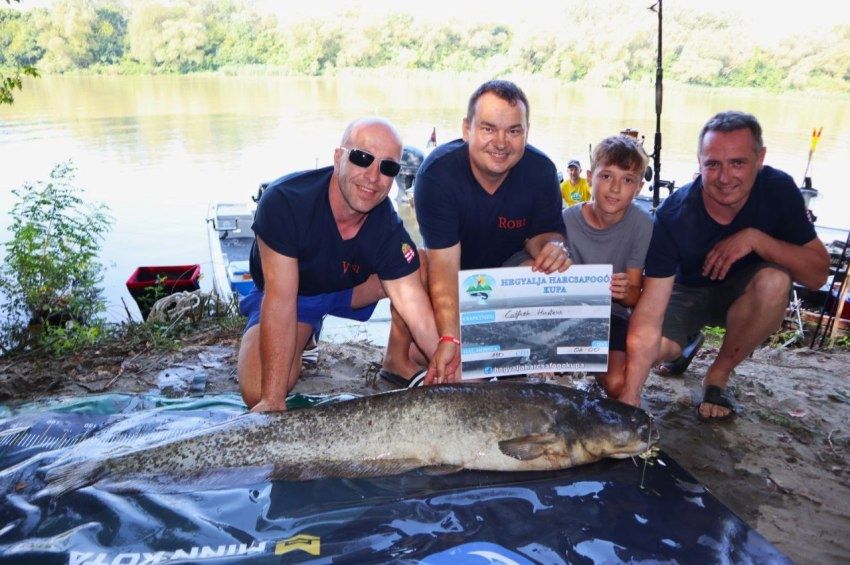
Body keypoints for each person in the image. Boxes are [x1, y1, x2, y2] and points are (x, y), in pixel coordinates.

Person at [619, 111, 830, 421]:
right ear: (699, 162)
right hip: (684, 289)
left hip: (744, 293)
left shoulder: (779, 190)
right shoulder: (673, 214)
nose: (724, 177)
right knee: (649, 350)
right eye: (713, 164)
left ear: (760, 158)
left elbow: (817, 275)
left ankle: (718, 375)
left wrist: (757, 240)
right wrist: (630, 395)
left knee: (775, 281)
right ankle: (685, 341)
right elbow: (650, 311)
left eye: (738, 163)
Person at [237, 117, 455, 412]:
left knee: (420, 261)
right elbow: (280, 300)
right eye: (362, 158)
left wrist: (451, 366)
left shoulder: (385, 224)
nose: (373, 177)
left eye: (387, 167)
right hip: (293, 294)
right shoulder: (285, 202)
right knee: (257, 389)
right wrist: (272, 399)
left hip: (345, 287)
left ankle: (397, 360)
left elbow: (413, 305)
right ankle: (305, 335)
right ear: (338, 156)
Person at [381, 79, 571, 385]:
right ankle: (396, 359)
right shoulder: (437, 174)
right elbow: (444, 268)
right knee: (417, 263)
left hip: (501, 278)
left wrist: (553, 248)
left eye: (513, 130)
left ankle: (504, 357)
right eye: (488, 128)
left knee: (541, 270)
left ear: (527, 132)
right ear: (466, 129)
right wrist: (449, 338)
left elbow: (546, 233)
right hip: (452, 272)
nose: (501, 142)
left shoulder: (542, 171)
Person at [562, 135, 652, 398]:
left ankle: (599, 371)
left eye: (627, 180)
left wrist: (626, 293)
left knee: (616, 384)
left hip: (612, 315)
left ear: (639, 187)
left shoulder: (642, 224)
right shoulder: (565, 220)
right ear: (590, 177)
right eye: (606, 176)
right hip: (567, 313)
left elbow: (635, 294)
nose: (615, 188)